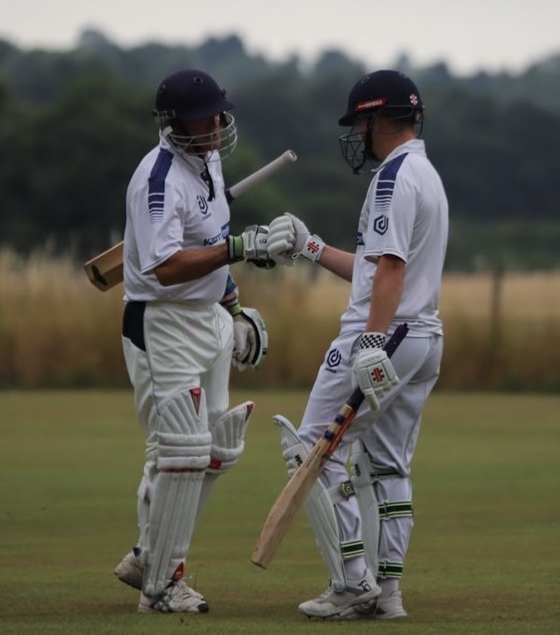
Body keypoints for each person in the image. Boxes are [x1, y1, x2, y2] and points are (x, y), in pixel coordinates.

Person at [265, 69, 448, 620]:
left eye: (360, 124)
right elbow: (374, 268)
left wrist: (370, 341)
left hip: (384, 335)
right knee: (389, 465)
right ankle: (387, 594)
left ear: (377, 119)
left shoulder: (392, 179)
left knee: (313, 449)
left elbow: (390, 268)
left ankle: (350, 582)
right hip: (422, 339)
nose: (357, 135)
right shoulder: (426, 173)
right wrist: (311, 246)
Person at [112, 68, 274, 614]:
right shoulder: (157, 179)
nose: (215, 126)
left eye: (218, 116)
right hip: (164, 320)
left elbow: (211, 242)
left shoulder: (208, 161)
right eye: (203, 120)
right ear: (174, 123)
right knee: (179, 451)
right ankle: (162, 582)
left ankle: (149, 556)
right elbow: (164, 267)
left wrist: (234, 306)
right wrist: (239, 249)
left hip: (208, 316)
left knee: (217, 449)